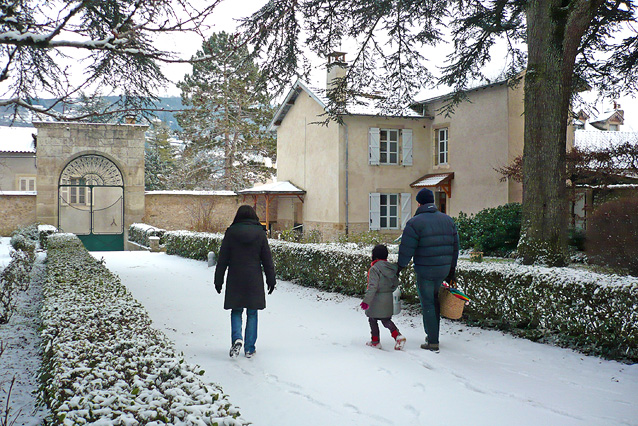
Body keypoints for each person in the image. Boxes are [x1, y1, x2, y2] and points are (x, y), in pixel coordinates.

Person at [398, 188, 459, 352]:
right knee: (435, 300)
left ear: (419, 202)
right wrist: (451, 271)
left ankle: (432, 341)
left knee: (428, 303)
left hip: (426, 270)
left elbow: (406, 249)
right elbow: (455, 248)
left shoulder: (414, 222)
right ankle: (433, 336)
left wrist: (399, 267)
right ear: (432, 201)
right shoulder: (448, 220)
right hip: (443, 269)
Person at [214, 205, 276, 358]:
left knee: (236, 310)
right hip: (253, 277)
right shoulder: (260, 233)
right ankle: (249, 348)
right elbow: (267, 259)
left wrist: (218, 280)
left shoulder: (231, 232)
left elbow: (223, 259)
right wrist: (271, 279)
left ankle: (237, 338)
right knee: (252, 312)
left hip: (235, 276)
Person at [360, 244, 406, 350]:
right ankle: (398, 336)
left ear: (374, 256)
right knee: (386, 320)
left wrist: (366, 301)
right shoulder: (390, 268)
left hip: (376, 299)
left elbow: (373, 287)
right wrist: (388, 290)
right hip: (387, 298)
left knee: (372, 319)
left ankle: (375, 341)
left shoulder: (374, 269)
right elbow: (395, 282)